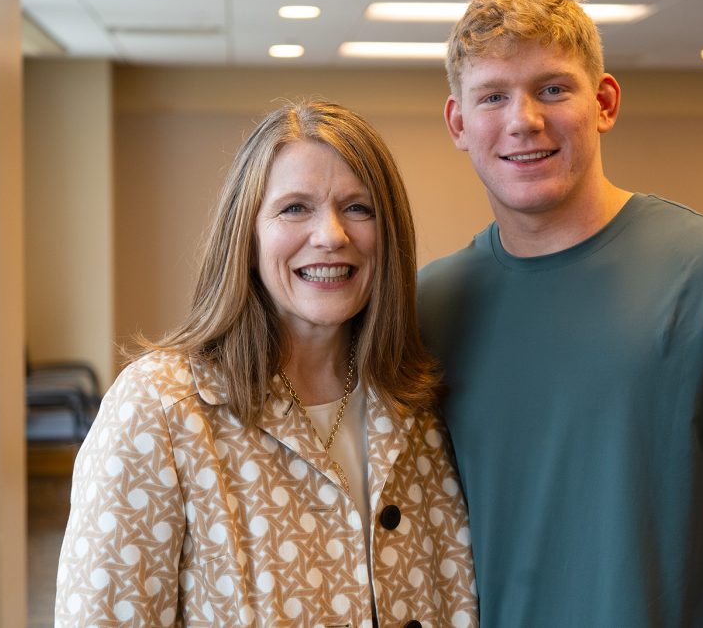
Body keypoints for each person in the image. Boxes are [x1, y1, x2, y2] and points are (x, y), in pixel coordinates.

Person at [418, 0, 703, 627]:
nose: (523, 120)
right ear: (458, 123)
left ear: (605, 102)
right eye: (493, 96)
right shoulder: (429, 306)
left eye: (553, 88)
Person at [56, 100, 478, 628]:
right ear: (247, 236)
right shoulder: (161, 409)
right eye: (295, 208)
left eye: (358, 208)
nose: (330, 235)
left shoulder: (418, 401)